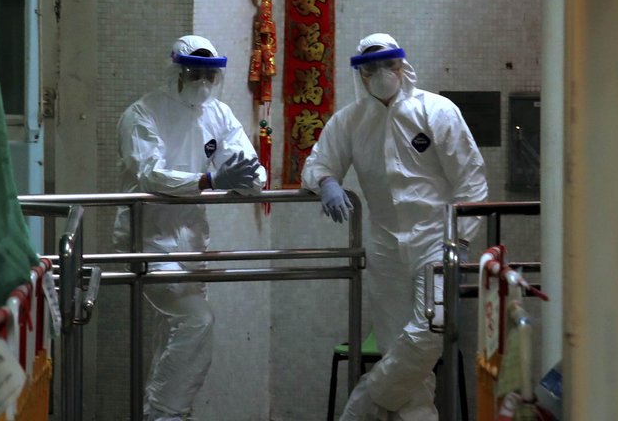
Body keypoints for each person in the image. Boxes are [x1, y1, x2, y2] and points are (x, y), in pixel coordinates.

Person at [302, 33, 488, 421]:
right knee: (395, 344)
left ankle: (362, 405)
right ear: (361, 74)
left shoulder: (436, 111)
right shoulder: (351, 121)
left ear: (404, 66)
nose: (382, 73)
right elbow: (318, 163)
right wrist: (326, 182)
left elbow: (472, 182)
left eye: (390, 64)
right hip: (384, 247)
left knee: (432, 330)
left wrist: (462, 242)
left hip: (437, 241)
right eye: (371, 67)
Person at [114, 34, 266, 421]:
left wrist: (244, 178)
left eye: (209, 74)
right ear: (177, 71)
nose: (202, 81)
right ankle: (165, 414)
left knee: (172, 334)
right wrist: (209, 181)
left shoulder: (218, 114)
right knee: (196, 320)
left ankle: (159, 411)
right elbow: (150, 173)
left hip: (192, 239)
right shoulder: (143, 112)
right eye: (194, 72)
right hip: (147, 238)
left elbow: (251, 168)